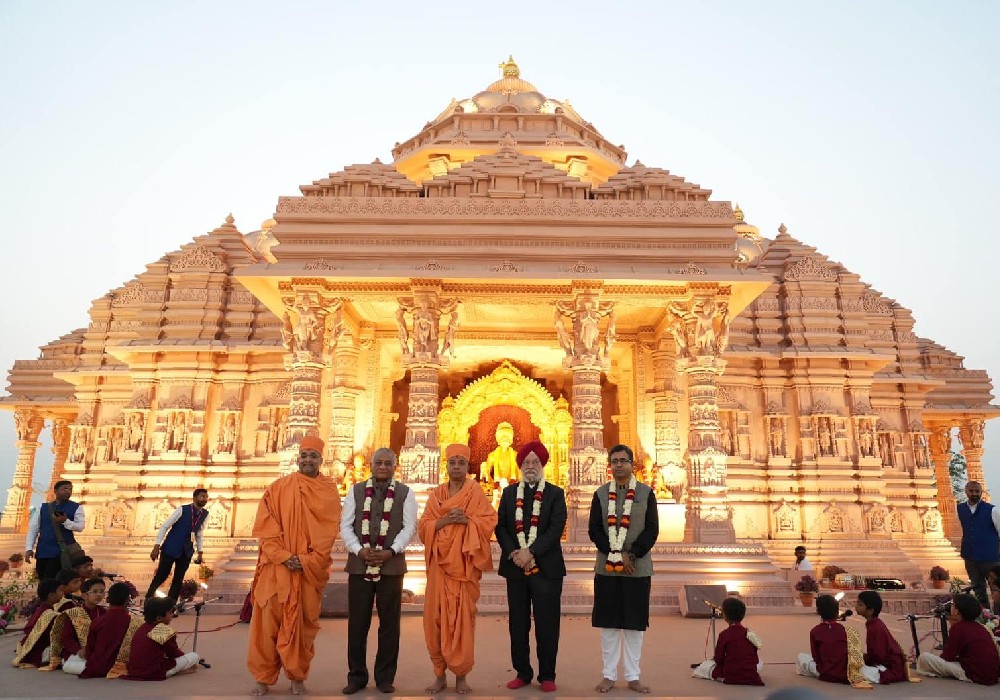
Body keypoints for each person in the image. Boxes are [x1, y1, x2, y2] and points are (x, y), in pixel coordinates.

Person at [246, 435, 341, 696]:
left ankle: (297, 676)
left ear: (322, 460)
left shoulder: (328, 491)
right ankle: (263, 678)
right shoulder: (277, 488)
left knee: (303, 626)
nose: (308, 460)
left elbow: (328, 532)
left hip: (308, 570)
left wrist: (308, 560)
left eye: (313, 456)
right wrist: (283, 556)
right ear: (297, 459)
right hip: (276, 569)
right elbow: (266, 527)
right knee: (266, 627)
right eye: (304, 455)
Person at [418, 443, 497, 695]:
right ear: (446, 465)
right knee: (435, 620)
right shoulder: (436, 495)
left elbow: (489, 520)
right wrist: (445, 520)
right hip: (440, 567)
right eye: (452, 462)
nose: (456, 466)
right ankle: (439, 674)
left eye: (461, 462)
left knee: (462, 621)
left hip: (463, 567)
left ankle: (461, 675)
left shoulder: (475, 492)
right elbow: (424, 528)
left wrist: (467, 520)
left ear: (467, 466)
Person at [340, 447, 418, 695]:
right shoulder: (356, 491)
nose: (383, 467)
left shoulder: (406, 493)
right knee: (357, 624)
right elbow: (345, 525)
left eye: (388, 463)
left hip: (391, 566)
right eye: (379, 463)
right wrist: (358, 550)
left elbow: (409, 528)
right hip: (359, 563)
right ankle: (357, 676)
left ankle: (385, 677)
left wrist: (391, 551)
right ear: (371, 466)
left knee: (389, 624)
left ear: (395, 467)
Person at [495, 440, 567, 693]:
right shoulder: (508, 493)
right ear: (520, 466)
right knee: (518, 622)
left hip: (546, 569)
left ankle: (547, 674)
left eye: (535, 461)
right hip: (515, 567)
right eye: (526, 462)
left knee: (547, 623)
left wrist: (531, 552)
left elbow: (556, 528)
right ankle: (522, 672)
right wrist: (515, 552)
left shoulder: (556, 494)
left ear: (543, 464)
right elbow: (501, 525)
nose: (531, 466)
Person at [590, 444, 659, 694]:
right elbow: (594, 530)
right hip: (607, 567)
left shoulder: (646, 493)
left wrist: (631, 555)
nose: (619, 464)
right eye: (615, 461)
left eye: (623, 460)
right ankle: (608, 675)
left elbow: (652, 529)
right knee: (609, 624)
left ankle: (633, 676)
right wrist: (615, 554)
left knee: (634, 624)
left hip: (637, 568)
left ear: (632, 464)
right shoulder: (599, 494)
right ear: (610, 465)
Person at [916, 592, 1000, 685]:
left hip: (974, 674)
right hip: (992, 674)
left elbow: (948, 657)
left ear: (957, 611)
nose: (950, 607)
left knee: (924, 657)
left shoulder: (958, 627)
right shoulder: (981, 627)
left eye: (952, 605)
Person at [145, 488, 210, 602]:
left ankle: (170, 605)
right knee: (162, 574)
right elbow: (165, 526)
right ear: (194, 498)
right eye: (202, 496)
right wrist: (156, 546)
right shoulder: (183, 510)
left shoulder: (205, 514)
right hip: (171, 546)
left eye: (206, 497)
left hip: (187, 550)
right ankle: (149, 598)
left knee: (178, 578)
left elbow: (199, 533)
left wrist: (200, 552)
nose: (204, 499)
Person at [797, 594, 872, 688]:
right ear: (837, 612)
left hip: (825, 673)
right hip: (845, 673)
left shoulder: (815, 631)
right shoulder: (849, 631)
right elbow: (856, 657)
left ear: (818, 611)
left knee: (801, 657)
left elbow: (816, 657)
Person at [122, 596, 200, 680]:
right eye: (170, 613)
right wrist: (184, 658)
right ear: (159, 618)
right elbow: (174, 654)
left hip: (134, 670)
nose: (172, 615)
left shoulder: (142, 627)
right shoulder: (161, 630)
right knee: (194, 656)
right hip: (153, 672)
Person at [692, 597, 764, 685]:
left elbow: (718, 659)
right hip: (750, 674)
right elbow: (755, 659)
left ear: (725, 615)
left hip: (730, 675)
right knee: (760, 663)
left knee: (703, 667)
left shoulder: (724, 634)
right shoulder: (750, 633)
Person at [24, 480, 85, 579]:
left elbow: (80, 527)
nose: (68, 491)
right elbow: (33, 529)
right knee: (43, 581)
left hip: (62, 552)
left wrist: (66, 521)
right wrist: (29, 548)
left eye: (70, 489)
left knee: (55, 581)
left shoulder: (76, 507)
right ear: (55, 491)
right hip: (43, 551)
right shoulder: (43, 508)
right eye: (64, 489)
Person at [957, 481, 1000, 608]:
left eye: (977, 491)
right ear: (966, 492)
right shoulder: (959, 509)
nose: (974, 494)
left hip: (990, 557)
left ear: (981, 492)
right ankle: (985, 619)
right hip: (970, 557)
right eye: (971, 491)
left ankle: (998, 620)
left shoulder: (992, 510)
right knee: (978, 589)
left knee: (996, 589)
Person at [80, 581, 136, 679]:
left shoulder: (98, 621)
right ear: (128, 599)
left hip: (97, 667)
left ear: (108, 599)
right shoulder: (134, 622)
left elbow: (89, 650)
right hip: (121, 667)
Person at [51, 577, 107, 674]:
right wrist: (78, 650)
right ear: (84, 595)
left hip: (97, 653)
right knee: (84, 667)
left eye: (102, 592)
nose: (99, 594)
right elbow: (66, 638)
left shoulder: (104, 612)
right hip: (78, 654)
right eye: (95, 591)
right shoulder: (74, 613)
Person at [854, 590, 912, 684]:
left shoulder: (875, 627)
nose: (856, 607)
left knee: (856, 670)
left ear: (871, 610)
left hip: (891, 669)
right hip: (883, 665)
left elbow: (879, 655)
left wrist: (862, 659)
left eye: (860, 604)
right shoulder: (873, 623)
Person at [12, 578, 62, 668]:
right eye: (60, 590)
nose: (62, 593)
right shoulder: (49, 613)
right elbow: (52, 637)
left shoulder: (42, 609)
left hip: (28, 647)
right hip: (38, 651)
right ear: (51, 595)